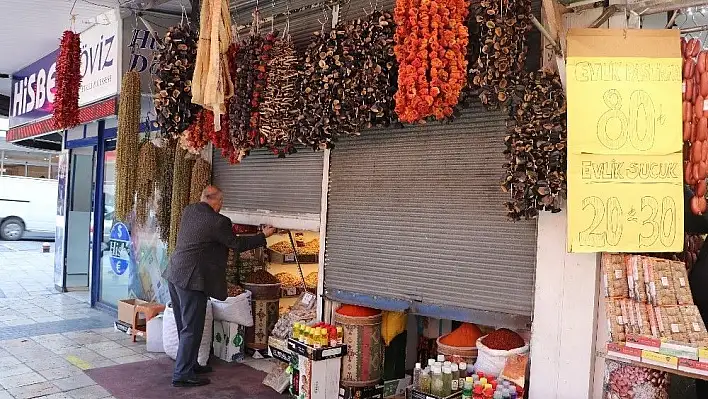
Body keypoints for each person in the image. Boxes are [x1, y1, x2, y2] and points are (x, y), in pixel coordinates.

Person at [162, 185, 276, 387]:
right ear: (216, 201)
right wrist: (263, 236)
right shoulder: (219, 221)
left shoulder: (189, 210)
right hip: (192, 280)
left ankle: (190, 365)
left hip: (175, 274)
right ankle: (182, 374)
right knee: (192, 328)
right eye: (221, 202)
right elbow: (237, 245)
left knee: (185, 325)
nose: (222, 205)